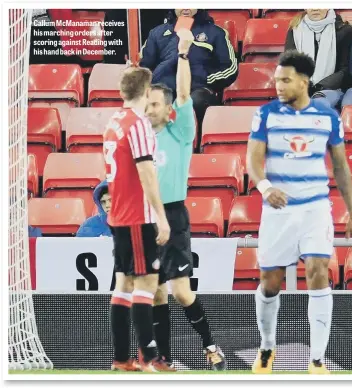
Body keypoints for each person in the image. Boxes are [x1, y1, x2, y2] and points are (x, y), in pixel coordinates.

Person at [246, 50, 352, 374]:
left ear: (303, 81)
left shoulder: (328, 118)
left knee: (318, 271)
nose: (278, 85)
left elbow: (341, 168)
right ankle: (267, 347)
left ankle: (317, 360)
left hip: (314, 208)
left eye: (285, 80)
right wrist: (266, 188)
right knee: (270, 282)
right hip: (277, 211)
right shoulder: (265, 115)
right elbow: (252, 161)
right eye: (276, 79)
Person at [144, 28, 226, 371]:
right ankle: (163, 359)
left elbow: (181, 89)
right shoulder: (140, 138)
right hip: (144, 218)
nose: (149, 110)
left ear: (169, 109)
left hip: (173, 216)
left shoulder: (180, 132)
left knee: (180, 291)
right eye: (146, 104)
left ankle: (210, 345)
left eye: (154, 104)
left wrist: (181, 53)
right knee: (156, 293)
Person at [103, 66, 171, 372]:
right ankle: (148, 358)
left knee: (123, 283)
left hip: (118, 215)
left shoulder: (113, 122)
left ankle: (121, 359)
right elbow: (146, 172)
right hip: (136, 215)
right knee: (147, 283)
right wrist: (161, 216)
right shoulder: (138, 124)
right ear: (146, 93)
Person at [139, 9, 238, 128]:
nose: (186, 7)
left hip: (198, 90)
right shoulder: (156, 33)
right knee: (152, 102)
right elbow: (143, 67)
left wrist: (204, 79)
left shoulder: (216, 32)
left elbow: (230, 68)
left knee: (194, 101)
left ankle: (195, 144)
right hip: (163, 89)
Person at [285, 9, 352, 110]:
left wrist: (320, 86)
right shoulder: (294, 29)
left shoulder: (344, 30)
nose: (315, 8)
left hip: (334, 88)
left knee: (317, 104)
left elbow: (346, 70)